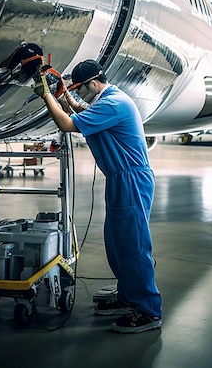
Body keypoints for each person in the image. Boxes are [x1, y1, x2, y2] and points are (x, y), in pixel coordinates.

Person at [34, 59, 162, 333]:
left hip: (131, 179)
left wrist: (46, 95)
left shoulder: (113, 103)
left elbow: (69, 124)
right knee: (117, 244)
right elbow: (81, 110)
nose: (79, 94)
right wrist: (64, 95)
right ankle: (128, 297)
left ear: (93, 84)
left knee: (134, 246)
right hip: (119, 179)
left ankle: (149, 311)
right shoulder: (109, 100)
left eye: (80, 88)